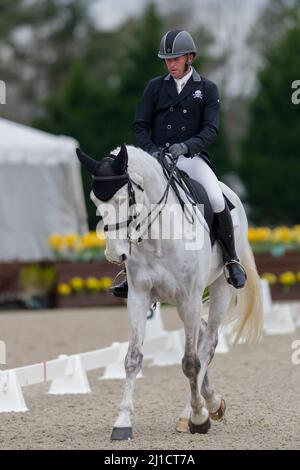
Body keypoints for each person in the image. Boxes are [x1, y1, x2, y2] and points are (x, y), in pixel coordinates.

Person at [112, 30, 246, 298]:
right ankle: (131, 272)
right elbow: (140, 125)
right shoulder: (155, 87)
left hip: (191, 158)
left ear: (189, 57)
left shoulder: (206, 89)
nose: (170, 65)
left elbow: (211, 129)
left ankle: (231, 259)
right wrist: (152, 151)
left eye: (175, 59)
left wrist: (186, 147)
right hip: (157, 160)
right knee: (134, 201)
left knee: (217, 198)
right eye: (167, 60)